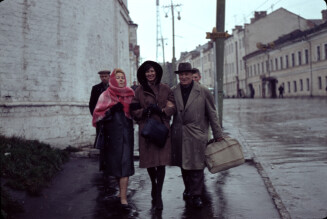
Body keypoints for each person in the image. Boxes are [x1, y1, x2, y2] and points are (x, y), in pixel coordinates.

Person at [171, 62, 224, 209]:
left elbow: (212, 114)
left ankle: (196, 194)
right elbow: (169, 110)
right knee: (184, 165)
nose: (184, 77)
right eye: (181, 74)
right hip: (179, 134)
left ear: (191, 75)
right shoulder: (173, 91)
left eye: (186, 74)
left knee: (197, 165)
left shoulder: (203, 91)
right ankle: (188, 189)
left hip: (197, 134)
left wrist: (218, 133)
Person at [130, 60, 176, 211]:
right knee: (150, 162)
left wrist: (162, 111)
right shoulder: (139, 91)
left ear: (157, 72)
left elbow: (172, 106)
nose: (150, 74)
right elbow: (134, 110)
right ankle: (154, 186)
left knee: (161, 162)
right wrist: (145, 111)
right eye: (147, 72)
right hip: (147, 130)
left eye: (152, 71)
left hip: (162, 129)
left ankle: (158, 194)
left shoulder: (165, 88)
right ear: (144, 74)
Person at [92, 68, 135, 211]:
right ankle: (120, 192)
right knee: (117, 165)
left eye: (123, 77)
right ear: (113, 79)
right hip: (112, 136)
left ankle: (123, 197)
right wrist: (110, 111)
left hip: (127, 135)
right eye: (118, 77)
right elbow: (97, 116)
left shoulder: (130, 94)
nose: (121, 80)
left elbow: (135, 113)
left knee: (125, 165)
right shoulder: (105, 95)